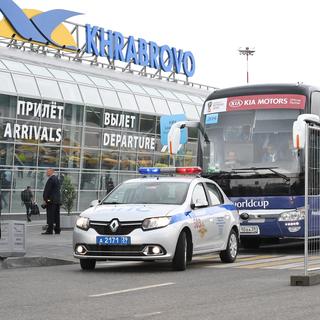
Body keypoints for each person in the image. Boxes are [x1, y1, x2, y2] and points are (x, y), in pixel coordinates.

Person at [42, 168, 61, 235]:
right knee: (56, 215)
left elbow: (48, 191)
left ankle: (49, 230)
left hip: (51, 201)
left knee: (50, 215)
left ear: (52, 172)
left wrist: (46, 199)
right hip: (57, 201)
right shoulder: (57, 179)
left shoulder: (51, 179)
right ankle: (57, 230)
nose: (46, 173)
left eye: (48, 172)